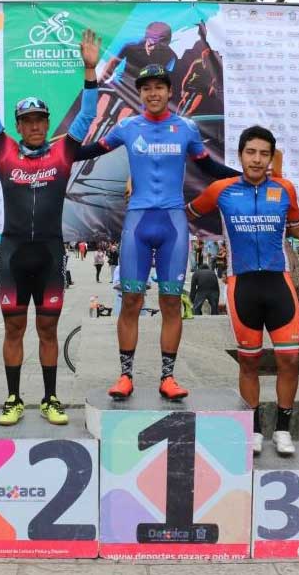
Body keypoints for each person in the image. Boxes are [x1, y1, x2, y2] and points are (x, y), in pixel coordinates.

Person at [0, 27, 104, 425]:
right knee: (14, 331)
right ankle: (13, 399)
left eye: (39, 120)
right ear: (18, 124)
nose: (33, 125)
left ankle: (50, 398)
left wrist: (90, 70)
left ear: (47, 123)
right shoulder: (5, 151)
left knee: (48, 332)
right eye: (26, 120)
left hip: (49, 255)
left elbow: (87, 113)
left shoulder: (64, 151)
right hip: (13, 255)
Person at [93, 63, 239, 401]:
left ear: (169, 92)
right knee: (130, 300)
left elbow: (207, 166)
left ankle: (167, 378)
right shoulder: (128, 127)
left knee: (171, 301)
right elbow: (87, 151)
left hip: (173, 223)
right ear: (141, 94)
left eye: (159, 87)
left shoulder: (185, 128)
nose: (153, 93)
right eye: (147, 88)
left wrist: (244, 176)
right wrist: (52, 158)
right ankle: (125, 375)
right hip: (138, 222)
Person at [188, 125, 299, 455]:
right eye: (251, 152)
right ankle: (255, 428)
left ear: (271, 157)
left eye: (264, 153)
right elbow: (187, 212)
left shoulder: (285, 189)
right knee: (249, 362)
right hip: (241, 284)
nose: (257, 160)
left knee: (289, 359)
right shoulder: (221, 189)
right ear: (240, 155)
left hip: (278, 283)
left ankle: (283, 430)